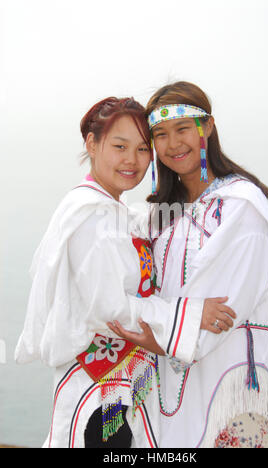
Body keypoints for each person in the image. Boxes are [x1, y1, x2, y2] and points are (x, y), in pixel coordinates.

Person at [14, 96, 235, 448]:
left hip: (121, 385)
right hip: (100, 391)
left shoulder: (108, 209)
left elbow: (135, 230)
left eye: (143, 149)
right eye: (120, 146)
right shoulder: (90, 214)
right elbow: (111, 309)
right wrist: (191, 314)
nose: (132, 160)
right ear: (92, 143)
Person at [108, 82, 268, 448]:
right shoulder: (157, 218)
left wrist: (159, 329)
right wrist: (178, 319)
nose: (173, 144)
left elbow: (224, 306)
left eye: (182, 129)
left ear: (207, 127)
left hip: (228, 373)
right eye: (160, 135)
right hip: (168, 369)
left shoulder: (241, 205)